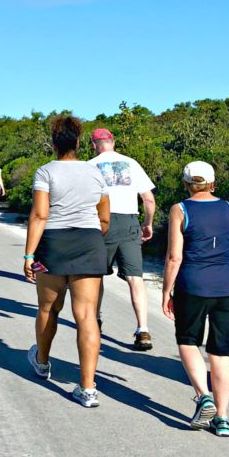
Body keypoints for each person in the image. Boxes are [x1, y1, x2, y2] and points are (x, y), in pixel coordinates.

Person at [23, 115, 111, 407]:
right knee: (86, 315)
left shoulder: (45, 172)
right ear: (78, 141)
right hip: (89, 242)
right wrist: (88, 237)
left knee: (49, 307)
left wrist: (29, 255)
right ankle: (87, 388)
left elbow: (39, 215)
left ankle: (43, 361)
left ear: (53, 143)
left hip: (53, 244)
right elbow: (105, 218)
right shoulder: (95, 173)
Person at [162, 161, 229, 437]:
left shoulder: (180, 209)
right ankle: (222, 419)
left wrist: (167, 291)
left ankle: (204, 397)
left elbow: (175, 257)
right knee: (221, 354)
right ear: (213, 183)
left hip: (194, 285)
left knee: (188, 341)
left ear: (187, 184)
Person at [87, 128, 157, 350]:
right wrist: (148, 223)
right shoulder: (131, 163)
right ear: (113, 142)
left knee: (97, 275)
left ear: (93, 145)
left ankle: (95, 320)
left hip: (102, 222)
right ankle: (143, 329)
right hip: (129, 221)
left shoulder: (90, 165)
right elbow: (148, 198)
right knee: (135, 278)